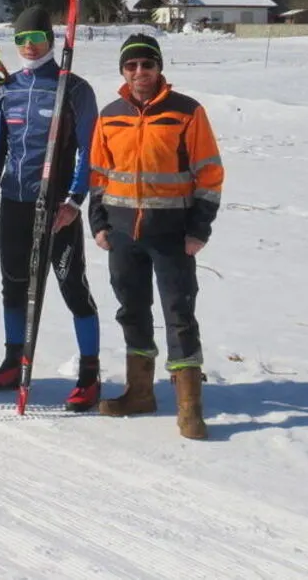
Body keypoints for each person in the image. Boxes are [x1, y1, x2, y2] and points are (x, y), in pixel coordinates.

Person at [89, 33, 224, 439]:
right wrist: (98, 222)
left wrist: (199, 228)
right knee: (131, 310)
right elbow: (98, 174)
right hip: (122, 232)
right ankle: (140, 392)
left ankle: (189, 407)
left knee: (179, 315)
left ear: (159, 68)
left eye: (147, 64)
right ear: (123, 71)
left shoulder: (187, 112)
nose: (140, 72)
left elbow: (210, 175)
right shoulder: (110, 114)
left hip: (172, 234)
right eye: (131, 66)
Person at [0, 6, 103, 413]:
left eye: (36, 39)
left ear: (51, 39)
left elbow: (89, 152)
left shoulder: (74, 89)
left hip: (56, 206)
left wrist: (74, 202)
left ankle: (90, 375)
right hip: (15, 202)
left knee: (71, 286)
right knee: (13, 285)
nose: (29, 47)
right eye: (21, 40)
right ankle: (13, 362)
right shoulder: (7, 89)